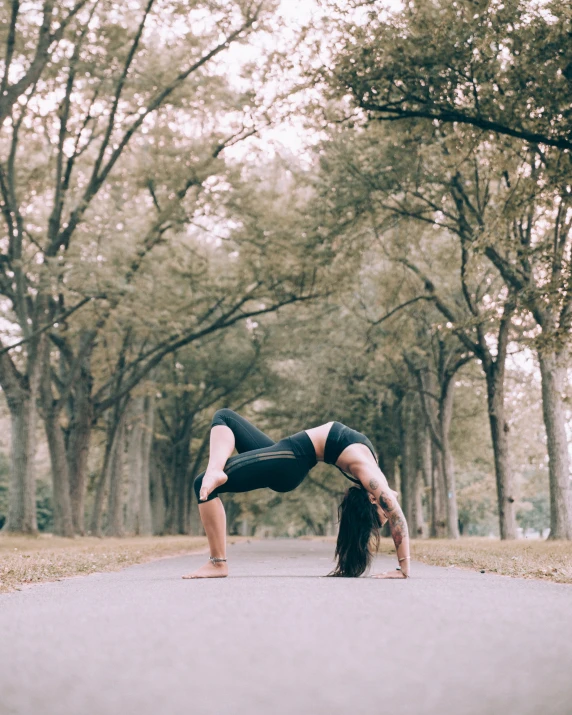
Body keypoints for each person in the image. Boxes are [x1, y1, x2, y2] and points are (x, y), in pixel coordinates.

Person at [182, 409, 410, 580]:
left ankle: (218, 563)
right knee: (225, 417)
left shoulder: (371, 476)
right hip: (286, 455)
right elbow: (395, 506)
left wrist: (403, 569)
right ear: (373, 498)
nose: (389, 511)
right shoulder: (375, 478)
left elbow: (397, 516)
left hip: (290, 462)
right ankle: (216, 470)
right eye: (383, 515)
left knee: (203, 484)